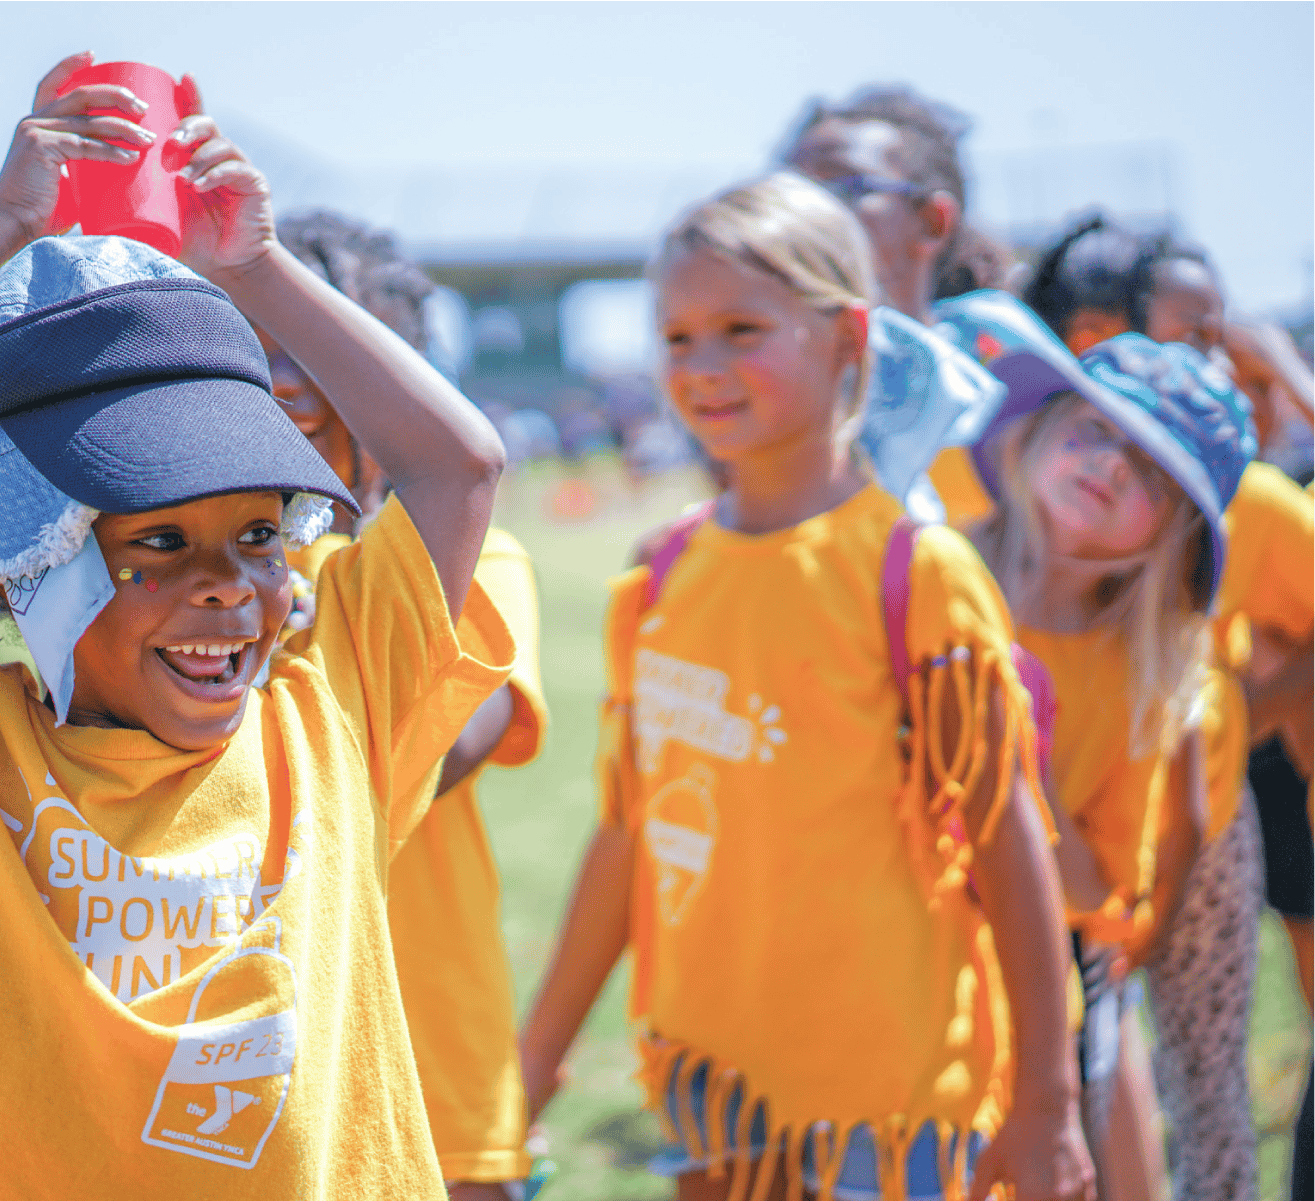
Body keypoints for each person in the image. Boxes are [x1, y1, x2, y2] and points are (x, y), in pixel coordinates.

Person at [0, 53, 513, 1199]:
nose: (228, 586)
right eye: (155, 542)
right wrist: (3, 223)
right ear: (32, 561)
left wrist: (254, 269)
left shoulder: (328, 706)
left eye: (258, 535)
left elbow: (460, 464)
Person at [520, 172, 1093, 1201]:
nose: (703, 367)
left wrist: (1048, 1104)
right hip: (712, 1098)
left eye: (743, 329)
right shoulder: (659, 577)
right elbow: (625, 835)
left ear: (845, 338)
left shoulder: (911, 572)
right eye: (677, 337)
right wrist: (531, 1063)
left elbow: (1010, 848)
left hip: (887, 1109)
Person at [935, 300, 1260, 1199]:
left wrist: (1016, 775)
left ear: (1172, 535)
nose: (1111, 465)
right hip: (895, 953)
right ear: (1036, 429)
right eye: (1093, 430)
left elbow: (1094, 891)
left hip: (1036, 993)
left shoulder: (1138, 684)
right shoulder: (926, 571)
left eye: (1153, 474)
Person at [263, 207, 551, 1201]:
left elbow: (426, 747)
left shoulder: (481, 568)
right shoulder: (209, 574)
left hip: (434, 1075)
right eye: (258, 348)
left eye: (327, 351)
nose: (292, 380)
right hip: (260, 1069)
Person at [1026, 218, 1315, 1194]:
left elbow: (1189, 792)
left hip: (1190, 841)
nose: (1214, 361)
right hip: (1053, 887)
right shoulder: (999, 554)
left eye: (1217, 338)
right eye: (1186, 335)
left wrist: (1257, 702)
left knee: (1197, 1083)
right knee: (1072, 1086)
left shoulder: (1253, 501)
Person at [777, 84, 1004, 527]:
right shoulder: (768, 404)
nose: (805, 214)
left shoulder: (1005, 416)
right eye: (789, 192)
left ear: (932, 223)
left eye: (843, 188)